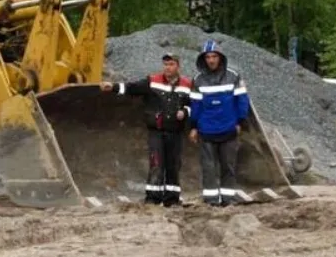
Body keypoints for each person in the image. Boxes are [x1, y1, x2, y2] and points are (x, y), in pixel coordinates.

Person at [100, 54, 191, 206]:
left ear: (178, 66)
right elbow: (132, 88)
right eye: (165, 64)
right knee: (156, 163)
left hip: (175, 132)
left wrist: (186, 112)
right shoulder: (153, 81)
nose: (167, 67)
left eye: (171, 64)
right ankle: (152, 198)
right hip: (156, 131)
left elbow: (194, 104)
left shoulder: (187, 84)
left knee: (173, 165)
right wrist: (113, 87)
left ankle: (172, 198)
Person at [188, 39, 250, 206]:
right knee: (208, 168)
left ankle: (228, 199)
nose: (211, 60)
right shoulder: (198, 79)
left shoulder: (233, 76)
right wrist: (193, 127)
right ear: (204, 59)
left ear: (220, 57)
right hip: (206, 130)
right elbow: (195, 105)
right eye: (208, 56)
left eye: (214, 56)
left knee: (228, 167)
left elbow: (242, 101)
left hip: (228, 128)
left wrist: (240, 122)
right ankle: (211, 201)